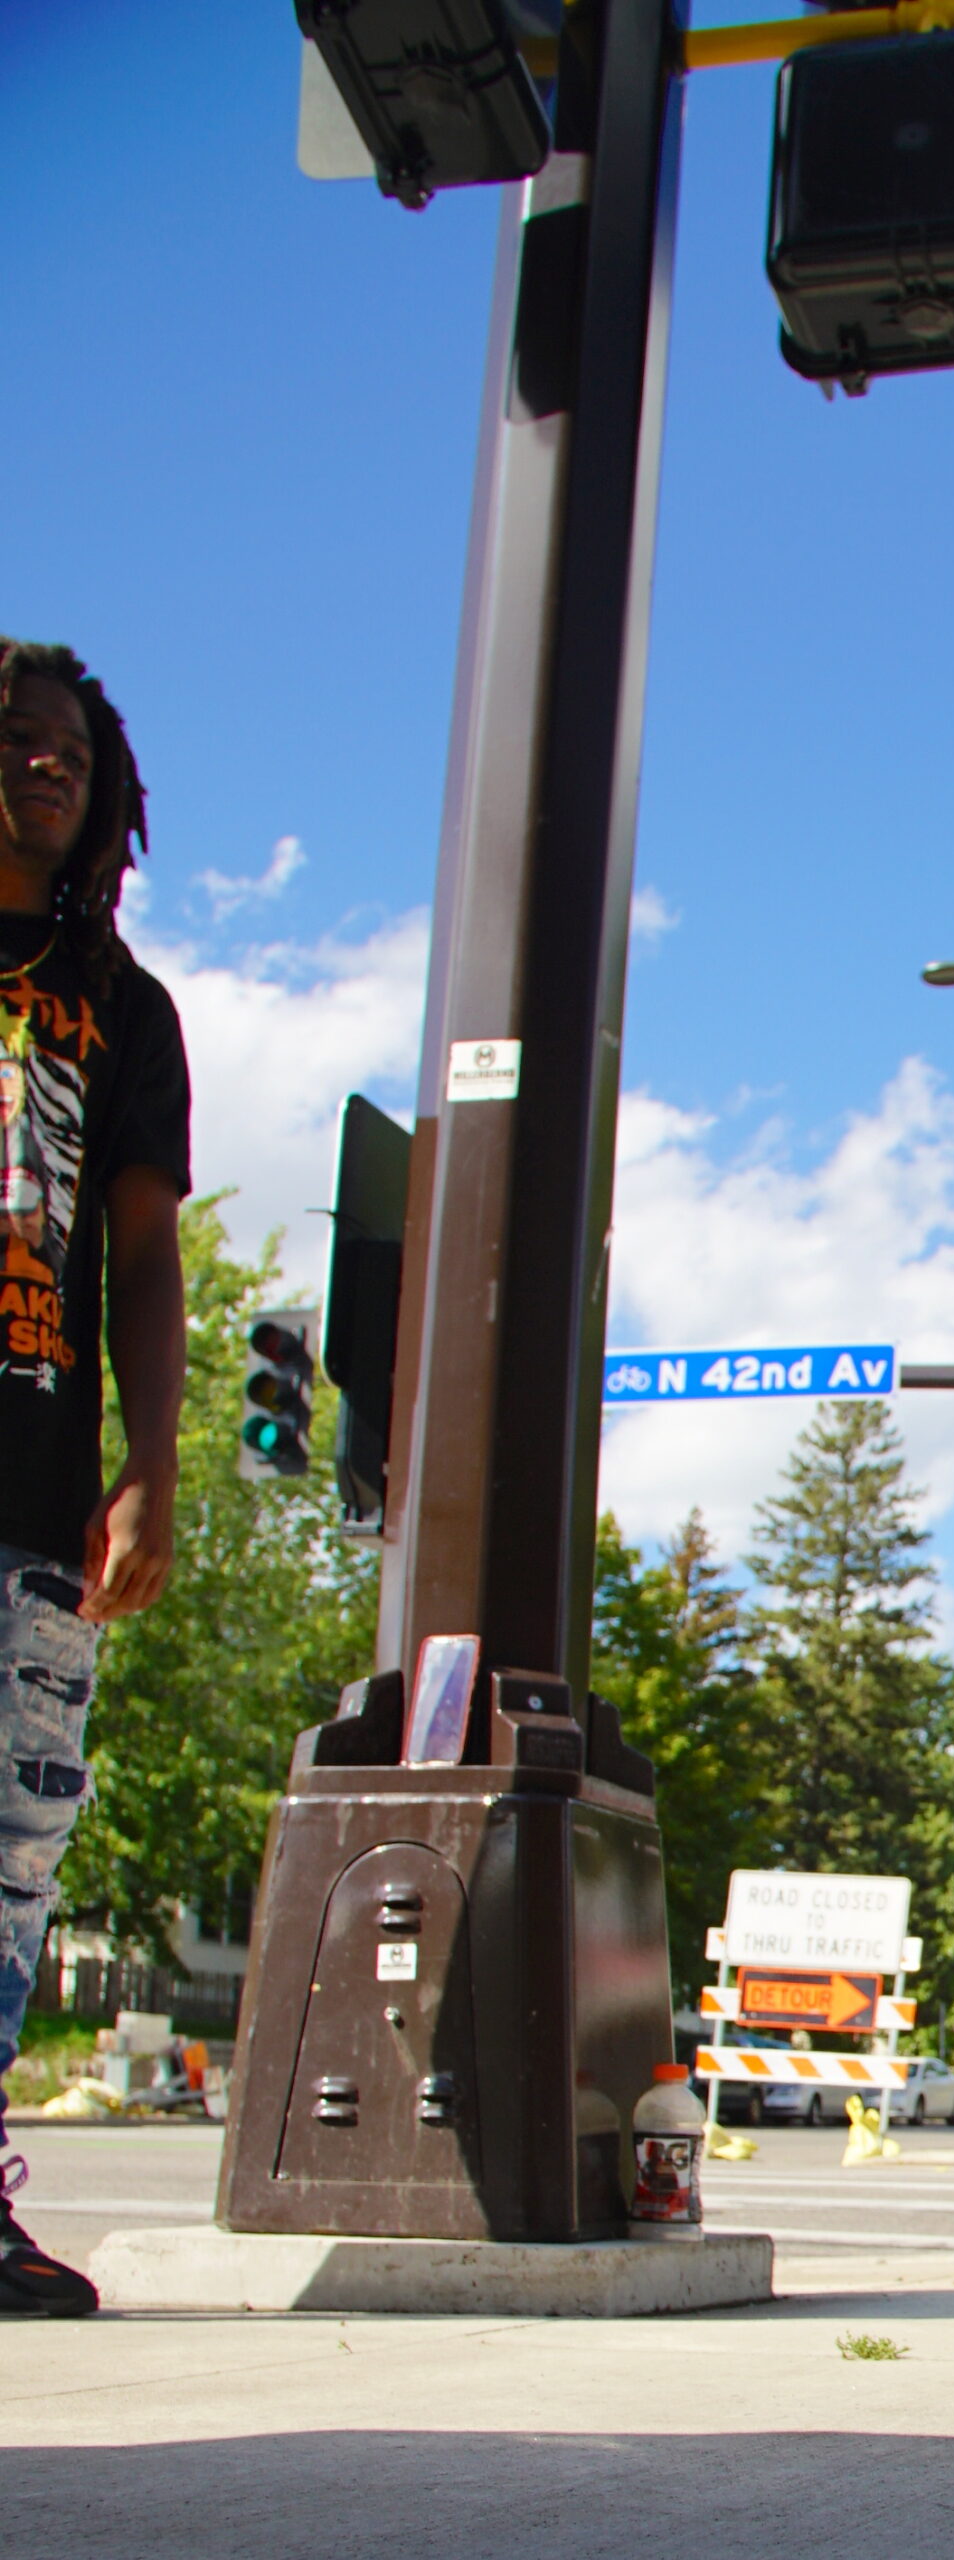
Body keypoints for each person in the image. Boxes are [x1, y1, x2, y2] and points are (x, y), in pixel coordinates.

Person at [0, 639, 190, 2318]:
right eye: (13, 739)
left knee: (10, 1860)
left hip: (36, 1491)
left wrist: (155, 1467)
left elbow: (142, 1249)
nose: (43, 763)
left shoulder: (125, 1010)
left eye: (66, 746)